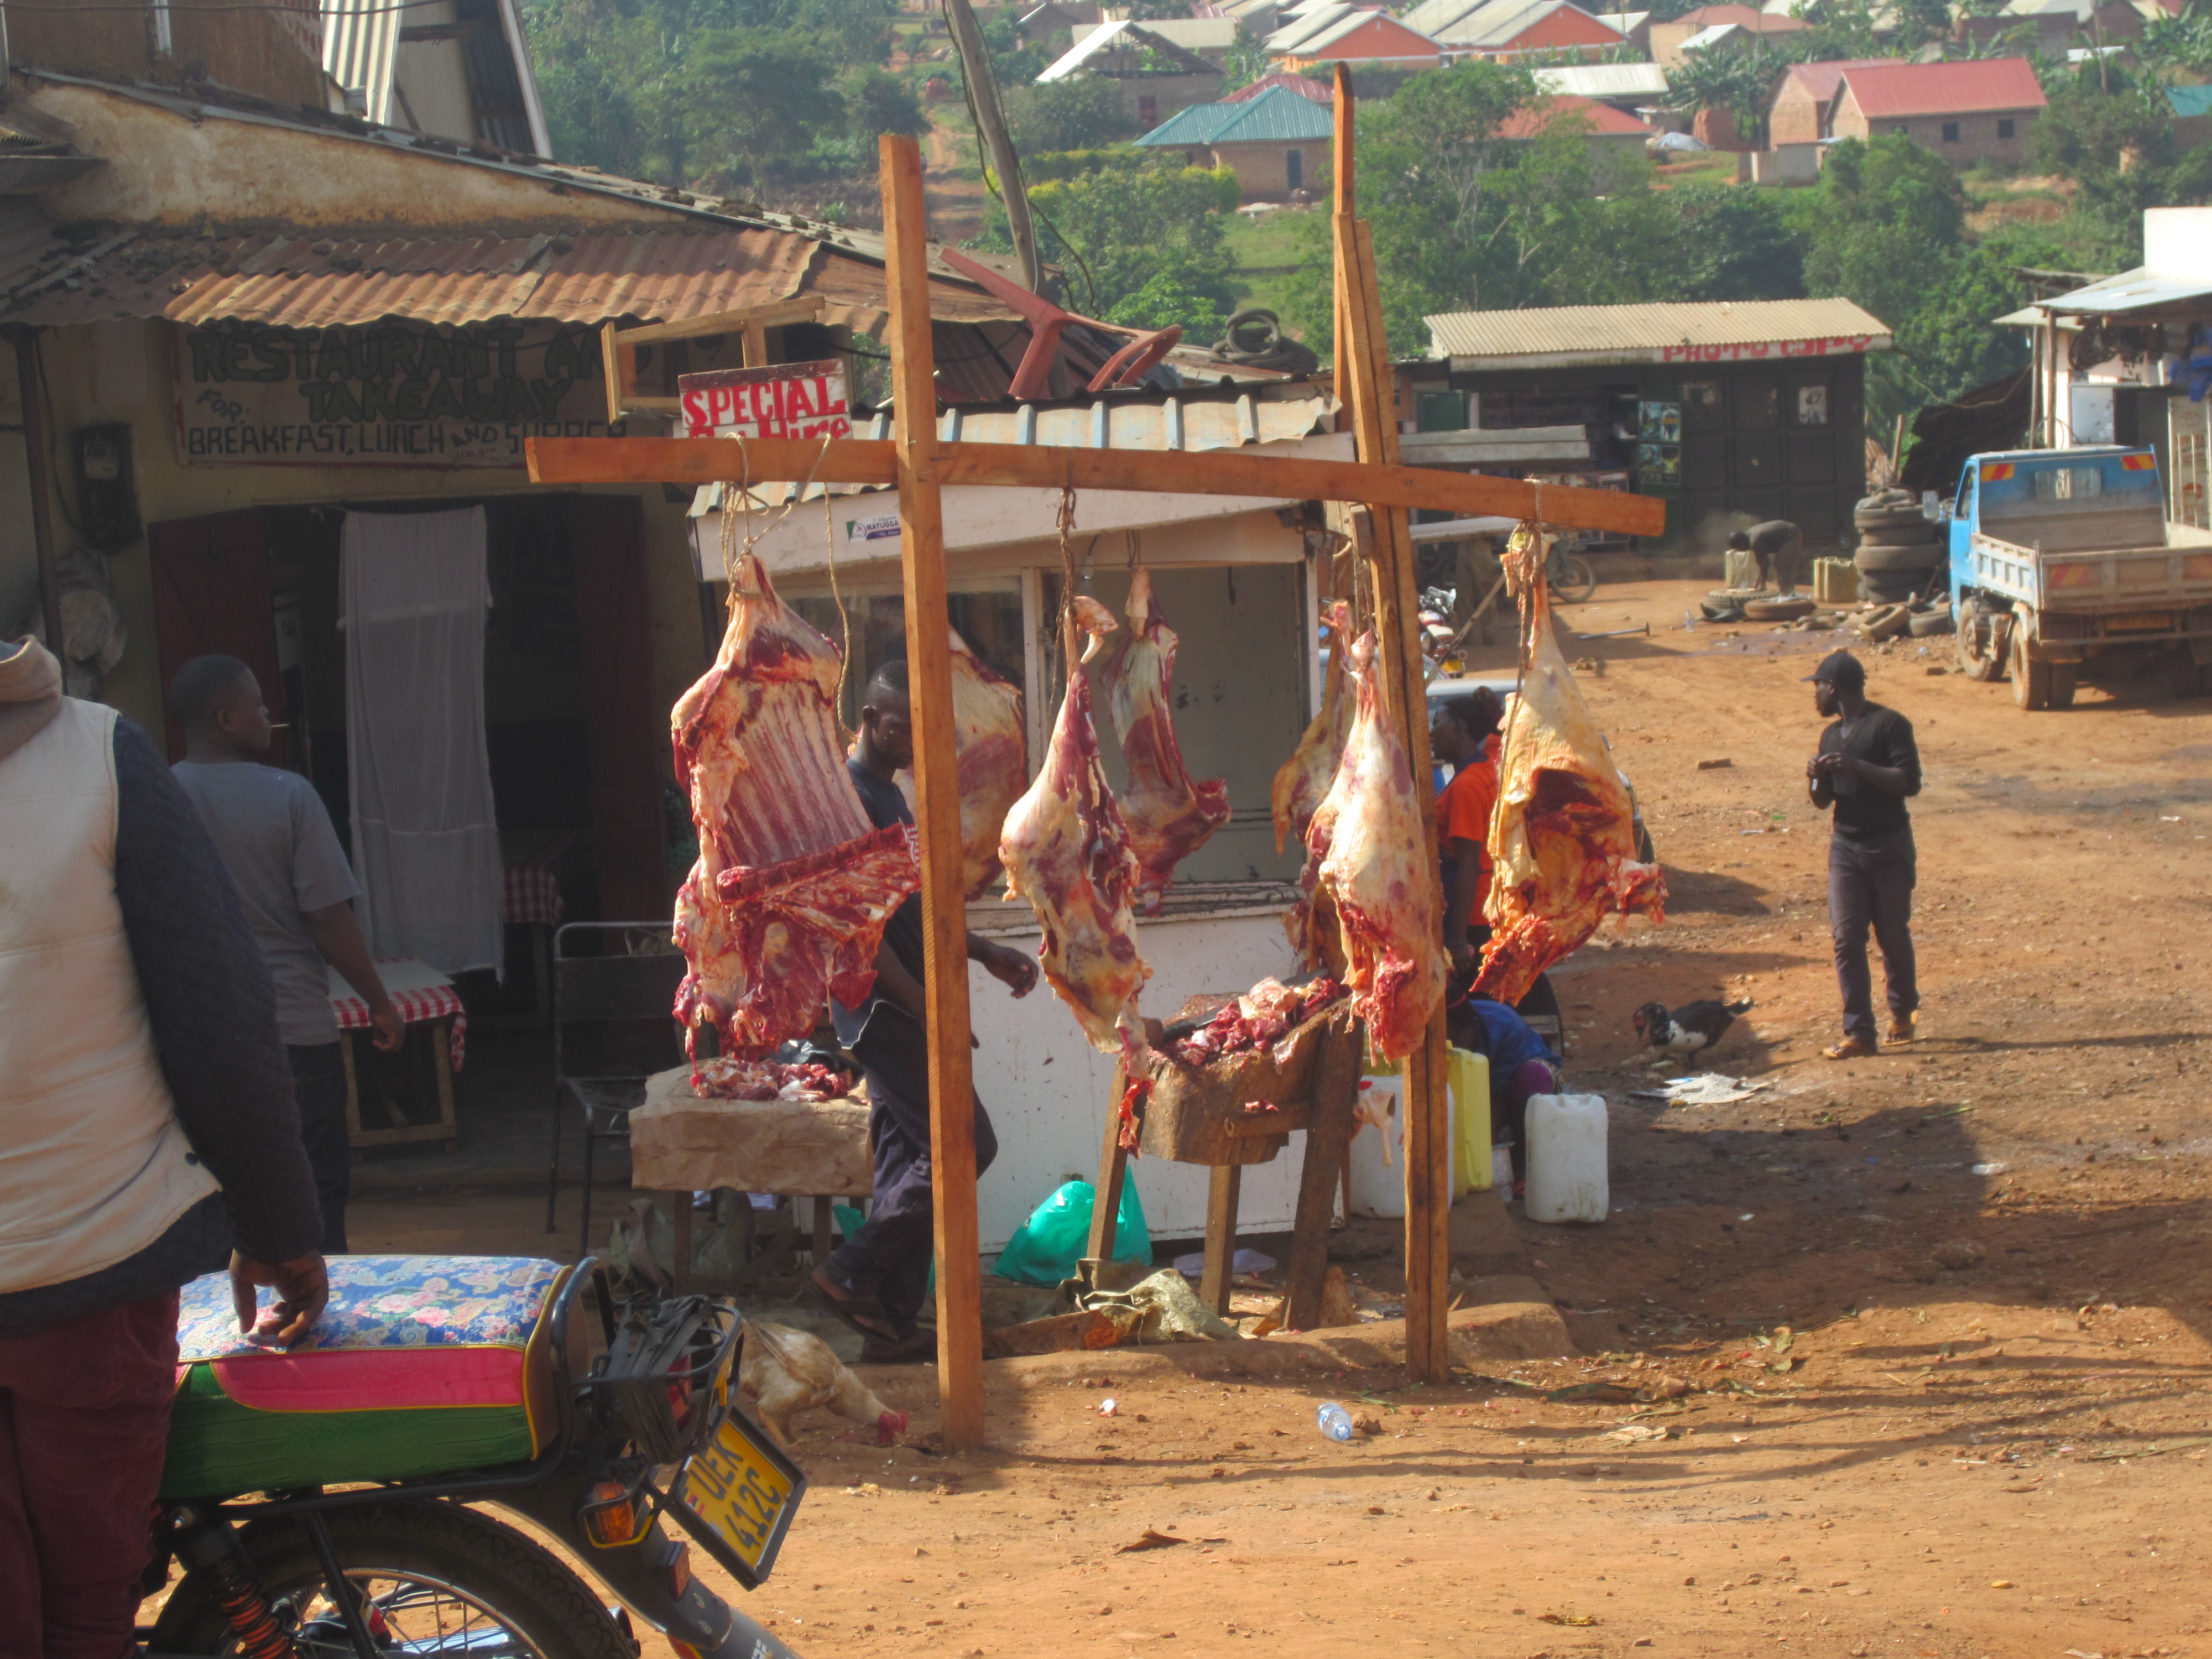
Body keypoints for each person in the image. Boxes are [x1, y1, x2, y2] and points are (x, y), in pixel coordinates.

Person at [0, 636, 327, 1655]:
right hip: (91, 1268)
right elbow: (221, 1024)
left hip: (87, 1271)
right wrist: (280, 1226)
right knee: (91, 1606)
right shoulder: (100, 755)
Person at [811, 660, 1040, 1361]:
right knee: (965, 1143)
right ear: (871, 720)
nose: (913, 739)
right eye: (902, 726)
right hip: (883, 1009)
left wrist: (980, 951)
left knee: (903, 1158)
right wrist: (925, 1004)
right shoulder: (850, 800)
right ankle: (850, 1268)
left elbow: (911, 910)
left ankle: (890, 1320)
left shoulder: (891, 797)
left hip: (903, 1003)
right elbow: (860, 929)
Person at [171, 655, 401, 1256]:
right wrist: (380, 1003)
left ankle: (228, 1334)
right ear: (226, 718)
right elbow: (328, 916)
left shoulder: (159, 798)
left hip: (195, 1039)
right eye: (257, 705)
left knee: (216, 1193)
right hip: (292, 1032)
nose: (269, 716)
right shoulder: (288, 796)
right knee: (314, 1188)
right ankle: (321, 1320)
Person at [1804, 649, 1922, 1059]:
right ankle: (1859, 1033)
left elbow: (1909, 782)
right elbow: (1823, 802)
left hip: (1889, 846)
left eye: (1817, 686)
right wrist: (1818, 780)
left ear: (1833, 688)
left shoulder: (1889, 724)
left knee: (1891, 935)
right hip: (1846, 848)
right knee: (1846, 939)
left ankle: (1903, 1012)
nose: (1814, 695)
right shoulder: (1831, 735)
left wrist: (1857, 767)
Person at [1428, 686, 1505, 980]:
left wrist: (1458, 939)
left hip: (1471, 917)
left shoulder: (1465, 787)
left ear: (1460, 726)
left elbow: (1469, 863)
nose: (1433, 732)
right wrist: (1494, 715)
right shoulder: (1488, 765)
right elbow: (1498, 740)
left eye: (1438, 723)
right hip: (1488, 906)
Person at [1453, 994, 1559, 1199]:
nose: (1456, 1046)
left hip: (1525, 1081)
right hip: (1485, 1090)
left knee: (1531, 1078)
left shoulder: (1506, 1027)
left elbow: (1497, 1099)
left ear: (1472, 1027)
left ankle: (1525, 1169)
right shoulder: (1445, 1025)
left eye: (1460, 1039)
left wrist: (1482, 1150)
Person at [1729, 520, 1804, 595]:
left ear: (1742, 542)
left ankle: (1788, 597)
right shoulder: (1750, 534)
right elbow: (1762, 564)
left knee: (1784, 567)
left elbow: (1764, 564)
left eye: (1739, 548)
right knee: (1779, 565)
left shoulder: (1755, 541)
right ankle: (1785, 593)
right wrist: (1759, 581)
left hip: (1790, 535)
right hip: (1786, 533)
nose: (1742, 551)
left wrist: (1762, 584)